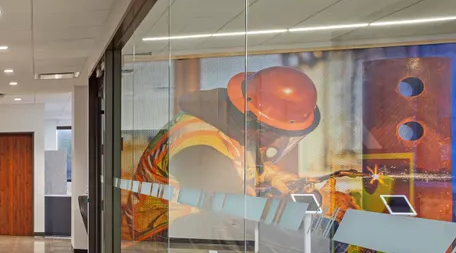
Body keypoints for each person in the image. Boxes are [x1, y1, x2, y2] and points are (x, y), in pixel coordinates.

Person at [125, 66, 322, 241]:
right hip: (163, 233)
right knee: (255, 227)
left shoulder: (235, 129)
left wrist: (275, 177)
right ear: (259, 126)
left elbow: (247, 169)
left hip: (202, 223)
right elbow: (233, 207)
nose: (276, 143)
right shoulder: (200, 144)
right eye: (278, 134)